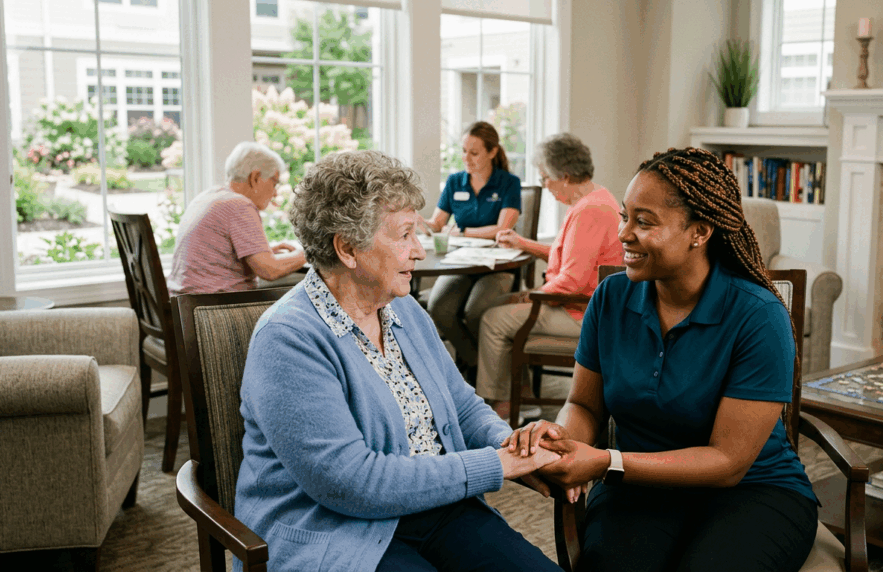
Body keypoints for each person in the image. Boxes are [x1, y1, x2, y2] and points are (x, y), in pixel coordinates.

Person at [234, 150, 564, 572]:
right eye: (406, 234)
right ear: (348, 248)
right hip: (336, 529)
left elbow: (460, 404)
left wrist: (513, 444)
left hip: (434, 507)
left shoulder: (402, 308)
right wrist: (499, 464)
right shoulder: (288, 339)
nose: (419, 251)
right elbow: (353, 483)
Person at [506, 147, 819, 572]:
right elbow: (584, 405)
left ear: (700, 232)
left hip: (753, 490)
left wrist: (605, 460)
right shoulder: (610, 299)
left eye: (644, 222)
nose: (623, 234)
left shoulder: (758, 316)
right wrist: (564, 441)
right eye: (624, 216)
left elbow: (727, 462)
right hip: (637, 487)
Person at [475, 133, 622, 422]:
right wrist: (522, 243)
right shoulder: (595, 199)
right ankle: (522, 392)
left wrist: (531, 295)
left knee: (492, 318)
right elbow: (571, 258)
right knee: (498, 303)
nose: (545, 186)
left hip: (582, 313)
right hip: (583, 304)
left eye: (545, 179)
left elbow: (571, 281)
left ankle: (502, 405)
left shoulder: (589, 212)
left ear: (564, 176)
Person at [425, 121, 522, 374]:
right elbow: (438, 223)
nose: (466, 158)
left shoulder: (508, 183)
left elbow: (503, 229)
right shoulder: (455, 181)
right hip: (462, 263)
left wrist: (465, 231)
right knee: (439, 308)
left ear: (492, 152)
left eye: (474, 152)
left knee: (477, 310)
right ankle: (477, 366)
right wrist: (416, 219)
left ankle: (496, 374)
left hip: (498, 265)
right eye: (464, 150)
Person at [167, 141, 306, 295]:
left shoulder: (209, 197)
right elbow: (269, 270)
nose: (275, 193)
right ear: (255, 178)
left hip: (187, 305)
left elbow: (219, 258)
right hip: (211, 308)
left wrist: (264, 252)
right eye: (274, 183)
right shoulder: (239, 205)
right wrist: (309, 253)